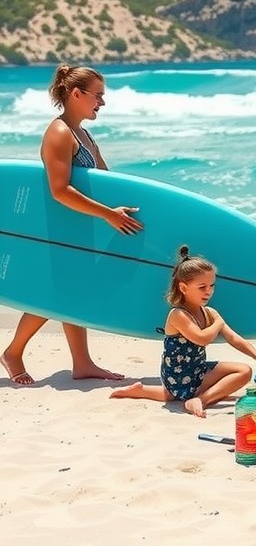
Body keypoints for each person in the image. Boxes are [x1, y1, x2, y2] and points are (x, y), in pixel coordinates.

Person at [1, 64, 143, 386]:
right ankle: (13, 351)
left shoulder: (84, 134)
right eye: (98, 96)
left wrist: (134, 206)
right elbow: (59, 190)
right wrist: (108, 214)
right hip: (61, 227)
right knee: (60, 294)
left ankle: (81, 362)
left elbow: (106, 180)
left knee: (71, 293)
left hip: (82, 225)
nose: (102, 103)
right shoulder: (59, 133)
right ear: (76, 94)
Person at [111, 246, 256, 416]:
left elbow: (233, 337)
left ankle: (143, 391)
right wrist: (218, 323)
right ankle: (199, 400)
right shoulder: (178, 314)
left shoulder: (209, 313)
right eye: (202, 287)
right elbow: (202, 339)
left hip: (198, 369)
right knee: (191, 389)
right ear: (183, 288)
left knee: (244, 370)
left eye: (212, 285)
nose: (208, 291)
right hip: (179, 376)